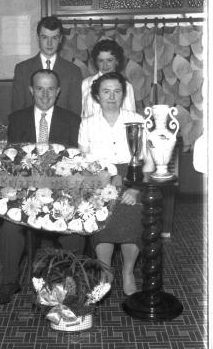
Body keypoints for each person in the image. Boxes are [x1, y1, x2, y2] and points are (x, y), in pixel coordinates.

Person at [0, 69, 85, 305]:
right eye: (40, 88)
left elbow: (74, 162)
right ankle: (9, 281)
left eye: (51, 89)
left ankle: (70, 284)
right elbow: (13, 159)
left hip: (60, 188)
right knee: (10, 226)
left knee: (73, 227)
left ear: (58, 91)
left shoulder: (72, 120)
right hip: (26, 189)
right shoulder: (17, 119)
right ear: (31, 90)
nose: (45, 94)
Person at [78, 71, 154, 296]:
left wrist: (135, 188)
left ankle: (128, 272)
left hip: (133, 179)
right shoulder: (87, 124)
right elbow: (84, 165)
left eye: (117, 91)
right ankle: (105, 270)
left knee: (131, 214)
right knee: (102, 216)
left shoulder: (137, 120)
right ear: (97, 96)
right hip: (99, 181)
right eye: (106, 91)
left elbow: (147, 164)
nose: (112, 96)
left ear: (124, 94)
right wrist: (104, 183)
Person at [11, 15, 83, 116]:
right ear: (38, 38)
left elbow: (75, 112)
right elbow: (17, 112)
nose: (49, 43)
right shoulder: (22, 69)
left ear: (60, 39)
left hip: (63, 129)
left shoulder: (73, 71)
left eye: (54, 38)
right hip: (30, 129)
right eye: (45, 37)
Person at [82, 39, 136, 117]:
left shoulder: (126, 86)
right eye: (101, 61)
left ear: (117, 61)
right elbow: (80, 115)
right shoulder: (86, 84)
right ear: (96, 62)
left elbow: (131, 116)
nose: (105, 65)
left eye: (109, 60)